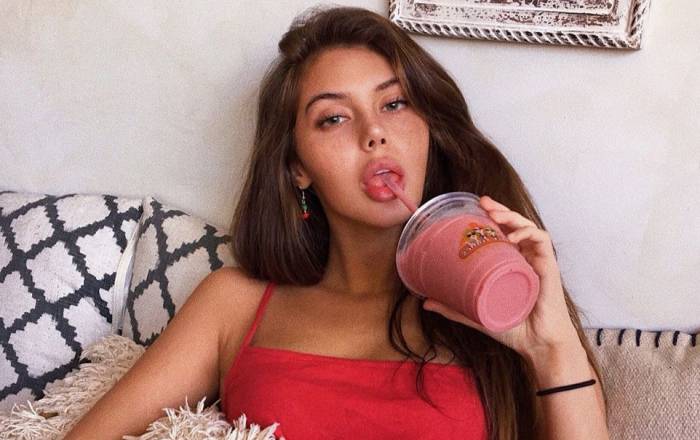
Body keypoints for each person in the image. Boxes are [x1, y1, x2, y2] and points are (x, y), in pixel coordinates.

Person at [64, 5, 610, 439]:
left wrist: (551, 349)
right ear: (297, 167)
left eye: (394, 104)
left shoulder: (495, 304)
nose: (374, 133)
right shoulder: (234, 304)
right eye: (333, 118)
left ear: (429, 129)